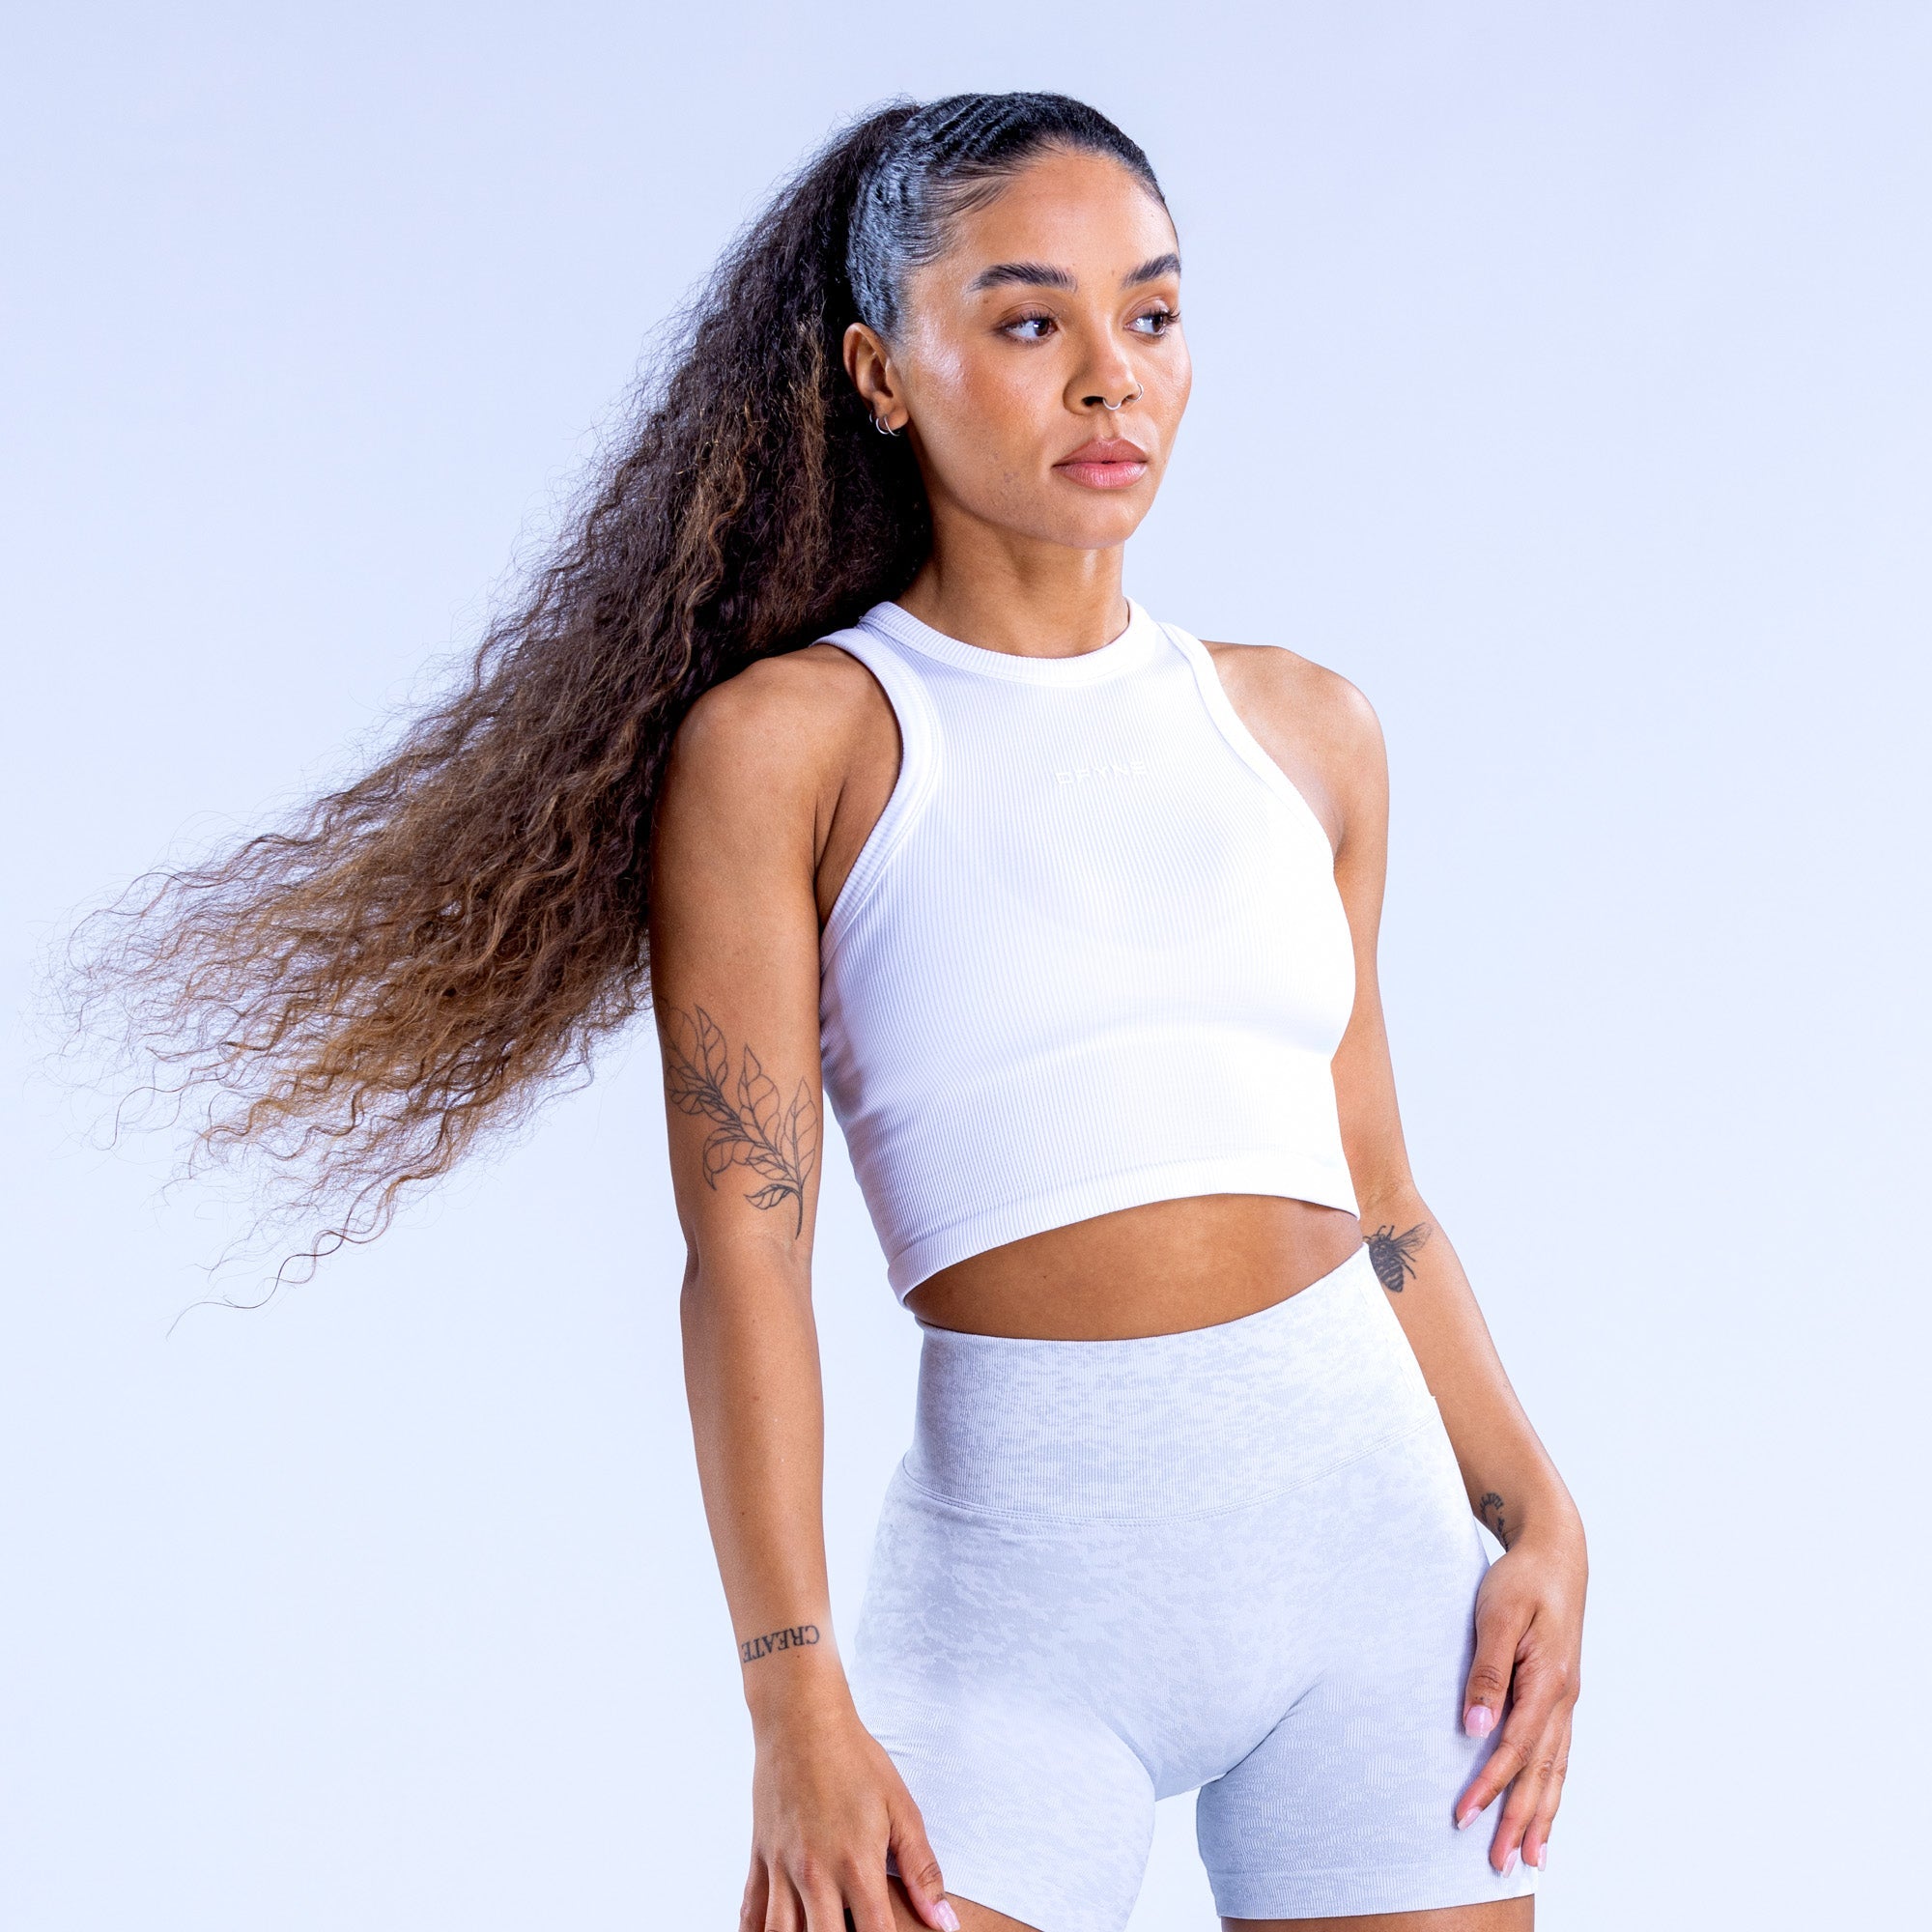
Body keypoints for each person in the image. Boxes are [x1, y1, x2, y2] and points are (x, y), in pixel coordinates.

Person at [73, 90, 1585, 1932]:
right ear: (881, 373)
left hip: (1377, 1587)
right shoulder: (798, 747)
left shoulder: (1307, 733)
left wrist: (1538, 1512)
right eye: (1029, 322)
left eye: (1153, 314)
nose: (1109, 377)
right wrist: (790, 1696)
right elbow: (746, 1254)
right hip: (1018, 1626)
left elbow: (1384, 1198)